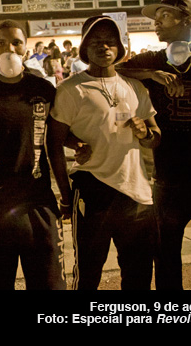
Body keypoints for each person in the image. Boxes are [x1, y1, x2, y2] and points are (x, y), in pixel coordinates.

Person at [47, 15, 161, 290]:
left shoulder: (135, 87)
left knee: (139, 275)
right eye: (96, 42)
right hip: (91, 191)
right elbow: (54, 143)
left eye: (110, 42)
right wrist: (65, 193)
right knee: (88, 274)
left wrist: (144, 132)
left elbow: (155, 138)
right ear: (85, 48)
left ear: (120, 48)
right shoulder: (70, 90)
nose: (104, 48)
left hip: (137, 194)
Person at [115, 0, 191, 290]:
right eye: (155, 17)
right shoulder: (152, 60)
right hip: (170, 179)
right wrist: (150, 74)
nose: (156, 22)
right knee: (166, 259)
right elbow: (113, 69)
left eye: (164, 16)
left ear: (187, 20)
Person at [0, 19, 66, 290]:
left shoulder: (43, 90)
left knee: (49, 284)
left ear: (27, 49)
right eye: (2, 43)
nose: (10, 49)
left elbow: (58, 139)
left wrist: (79, 145)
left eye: (16, 42)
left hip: (38, 204)